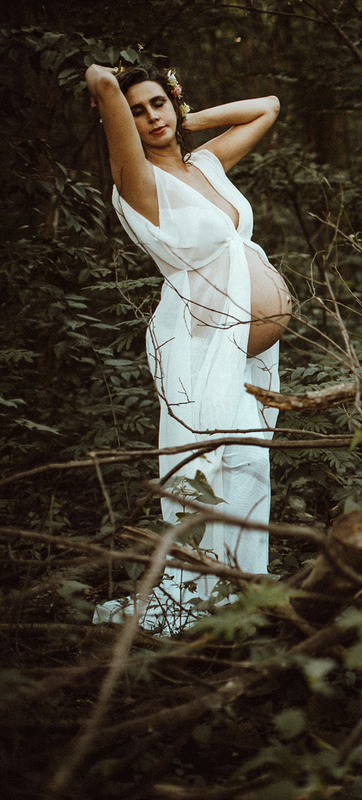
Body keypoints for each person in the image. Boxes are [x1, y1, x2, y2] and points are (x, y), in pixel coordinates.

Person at [86, 63, 291, 633]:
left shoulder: (206, 164)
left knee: (249, 466)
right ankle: (200, 603)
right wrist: (111, 90)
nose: (151, 118)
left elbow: (268, 104)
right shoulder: (138, 182)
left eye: (157, 104)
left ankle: (240, 600)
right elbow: (102, 81)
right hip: (198, 344)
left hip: (243, 349)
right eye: (136, 113)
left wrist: (185, 116)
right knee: (210, 468)